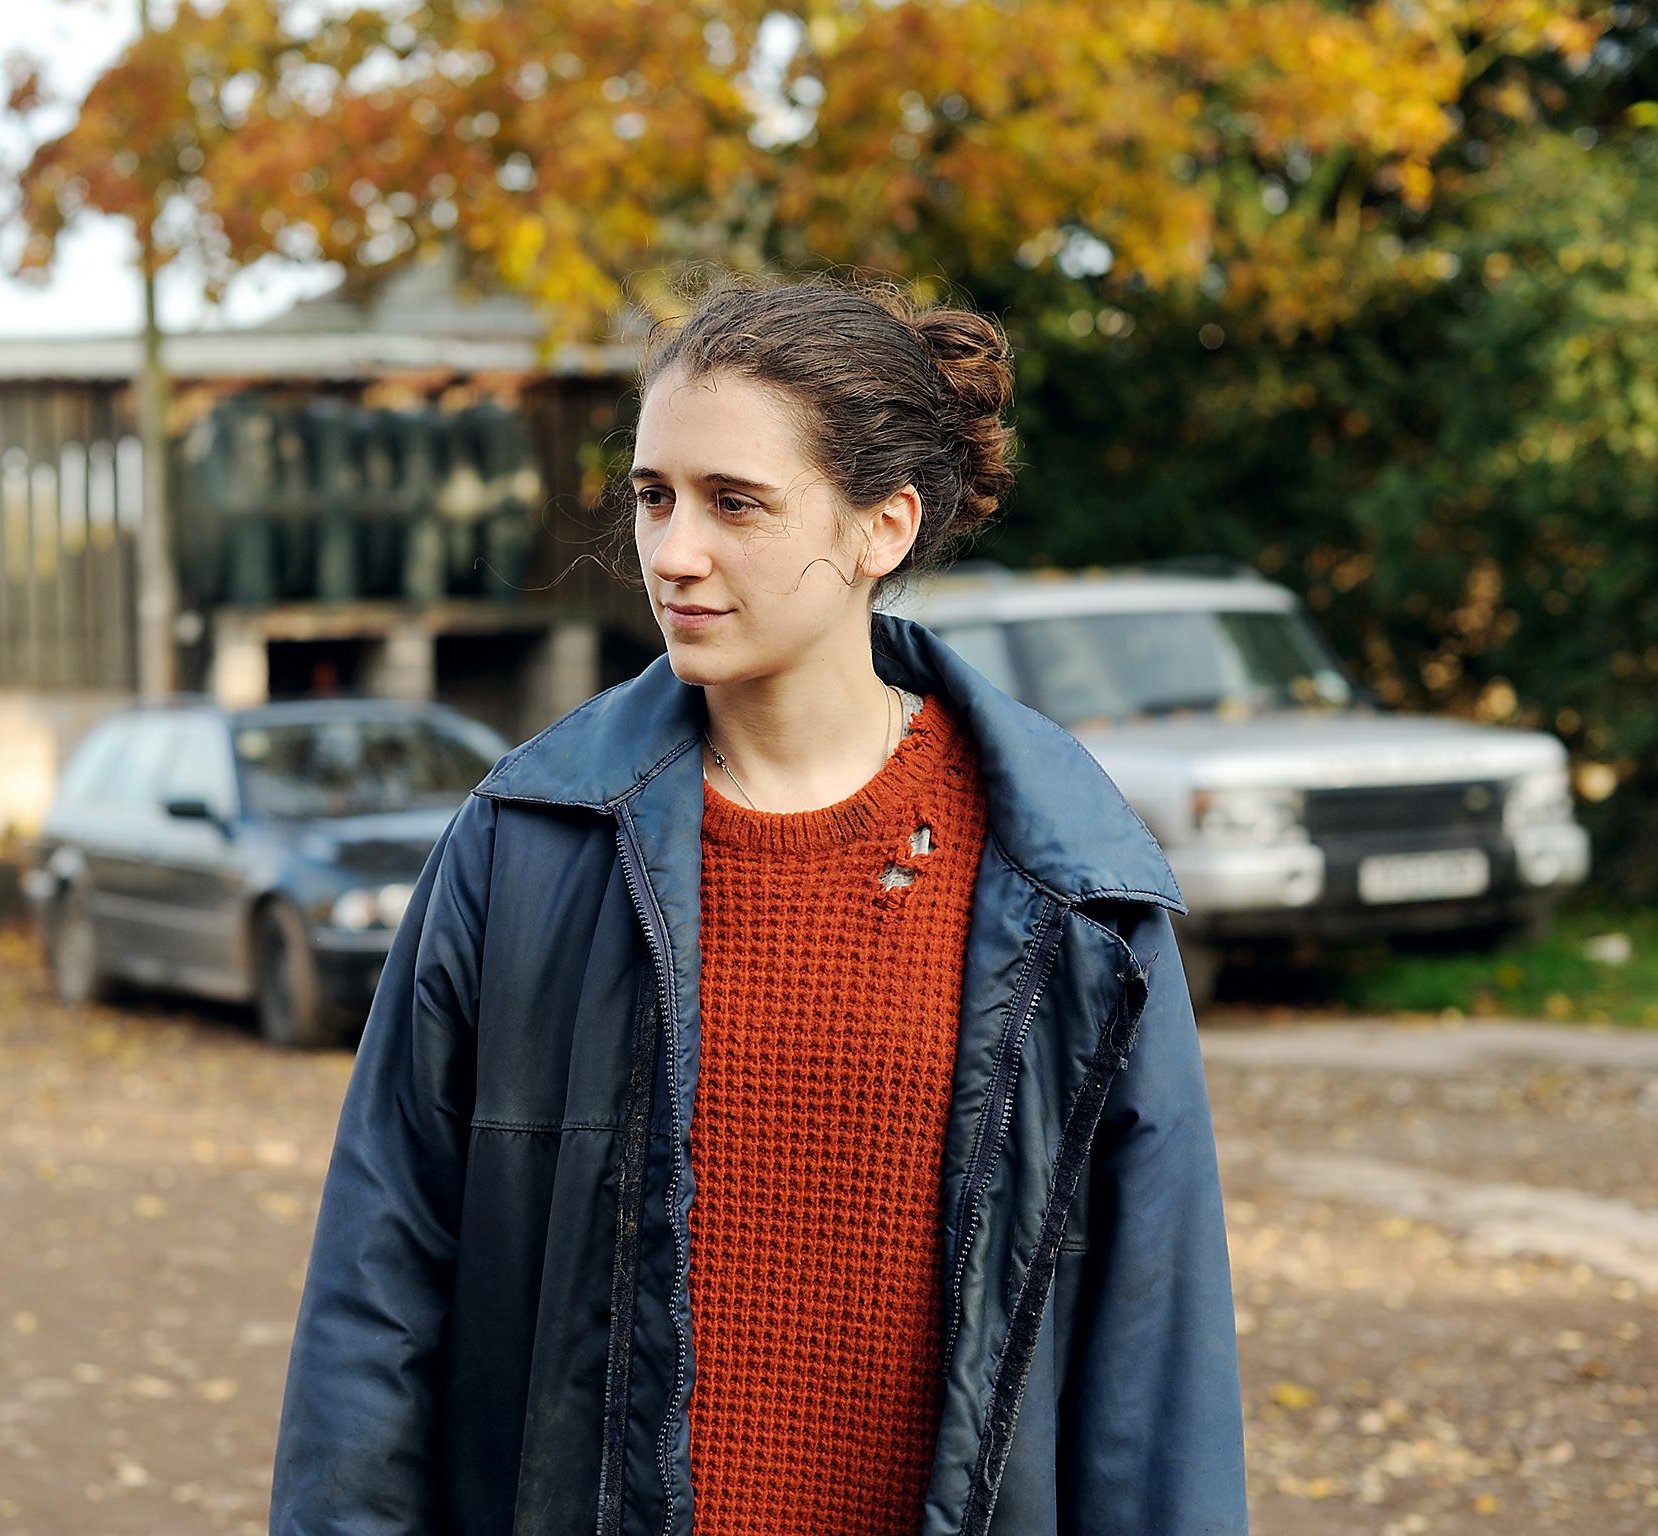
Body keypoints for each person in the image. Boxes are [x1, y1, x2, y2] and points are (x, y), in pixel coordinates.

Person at [268, 271, 1248, 1536]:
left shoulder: (1070, 889)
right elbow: (375, 1288)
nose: (674, 552)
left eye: (735, 503)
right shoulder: (525, 844)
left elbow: (1153, 1367)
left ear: (878, 529)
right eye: (652, 497)